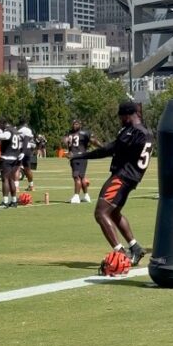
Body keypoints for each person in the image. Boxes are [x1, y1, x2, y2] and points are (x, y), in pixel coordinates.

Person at [67, 101, 153, 266]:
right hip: (132, 178)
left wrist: (79, 156)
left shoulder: (133, 131)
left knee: (100, 213)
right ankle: (135, 248)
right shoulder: (146, 131)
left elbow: (107, 150)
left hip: (122, 176)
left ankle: (120, 253)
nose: (120, 120)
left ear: (127, 116)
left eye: (121, 117)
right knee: (114, 213)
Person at [63, 119, 100, 204]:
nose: (74, 125)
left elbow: (94, 141)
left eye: (76, 124)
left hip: (78, 157)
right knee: (82, 177)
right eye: (73, 124)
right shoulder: (69, 133)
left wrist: (103, 148)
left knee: (76, 176)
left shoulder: (84, 133)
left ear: (80, 125)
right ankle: (86, 196)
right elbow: (64, 140)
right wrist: (66, 142)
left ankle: (76, 196)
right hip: (76, 157)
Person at [0, 121, 22, 209]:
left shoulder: (8, 131)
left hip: (7, 158)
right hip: (15, 158)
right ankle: (14, 201)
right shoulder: (15, 131)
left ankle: (5, 201)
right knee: (11, 179)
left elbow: (5, 136)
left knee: (5, 180)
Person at [16, 117, 36, 192]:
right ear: (26, 123)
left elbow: (25, 141)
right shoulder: (27, 130)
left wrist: (22, 152)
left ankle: (16, 187)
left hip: (21, 149)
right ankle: (31, 186)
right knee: (27, 168)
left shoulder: (18, 130)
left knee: (17, 168)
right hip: (27, 150)